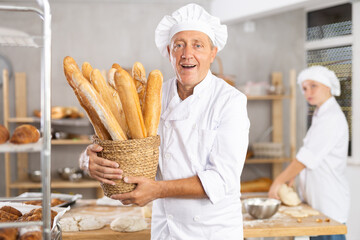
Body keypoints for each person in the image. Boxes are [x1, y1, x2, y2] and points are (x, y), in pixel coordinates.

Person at [79, 3, 250, 240]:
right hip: (164, 230)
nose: (186, 53)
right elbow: (122, 143)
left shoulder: (230, 101)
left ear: (213, 52)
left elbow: (221, 180)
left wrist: (158, 190)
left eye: (197, 45)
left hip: (212, 232)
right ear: (169, 52)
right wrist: (88, 161)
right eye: (178, 45)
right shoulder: (153, 95)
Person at [268, 65, 350, 240]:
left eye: (314, 86)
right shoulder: (320, 114)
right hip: (318, 203)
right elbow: (312, 155)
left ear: (327, 86)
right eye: (304, 88)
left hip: (329, 204)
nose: (308, 92)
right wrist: (293, 176)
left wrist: (278, 181)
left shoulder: (331, 118)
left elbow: (305, 159)